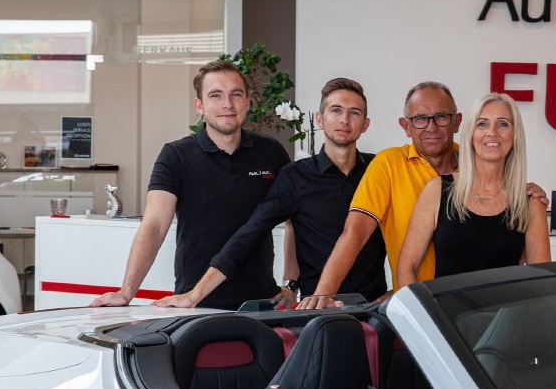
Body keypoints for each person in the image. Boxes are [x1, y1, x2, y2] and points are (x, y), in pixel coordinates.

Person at [299, 82, 547, 309]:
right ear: (405, 126)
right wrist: (323, 294)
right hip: (426, 308)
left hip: (495, 311)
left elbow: (519, 261)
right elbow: (356, 232)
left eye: (441, 117)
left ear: (457, 122)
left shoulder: (481, 161)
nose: (431, 127)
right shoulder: (390, 164)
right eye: (419, 118)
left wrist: (523, 194)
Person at [150, 77, 388, 307]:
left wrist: (400, 290)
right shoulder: (296, 176)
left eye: (354, 112)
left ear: (365, 124)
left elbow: (407, 232)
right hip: (318, 310)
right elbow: (251, 233)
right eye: (336, 110)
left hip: (375, 307)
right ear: (319, 119)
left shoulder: (381, 170)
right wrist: (195, 294)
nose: (344, 120)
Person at [89, 60, 291, 309]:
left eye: (236, 94)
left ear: (247, 101)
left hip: (262, 302)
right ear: (199, 105)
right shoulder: (176, 156)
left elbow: (295, 220)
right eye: (215, 95)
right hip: (194, 302)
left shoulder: (271, 152)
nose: (227, 104)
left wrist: (291, 283)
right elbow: (154, 225)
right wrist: (126, 291)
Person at [397, 93, 550, 287]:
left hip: (507, 307)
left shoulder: (530, 202)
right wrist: (418, 307)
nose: (492, 132)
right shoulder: (438, 190)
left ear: (515, 135)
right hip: (443, 307)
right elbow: (406, 267)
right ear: (471, 134)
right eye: (482, 124)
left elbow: (542, 282)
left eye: (503, 124)